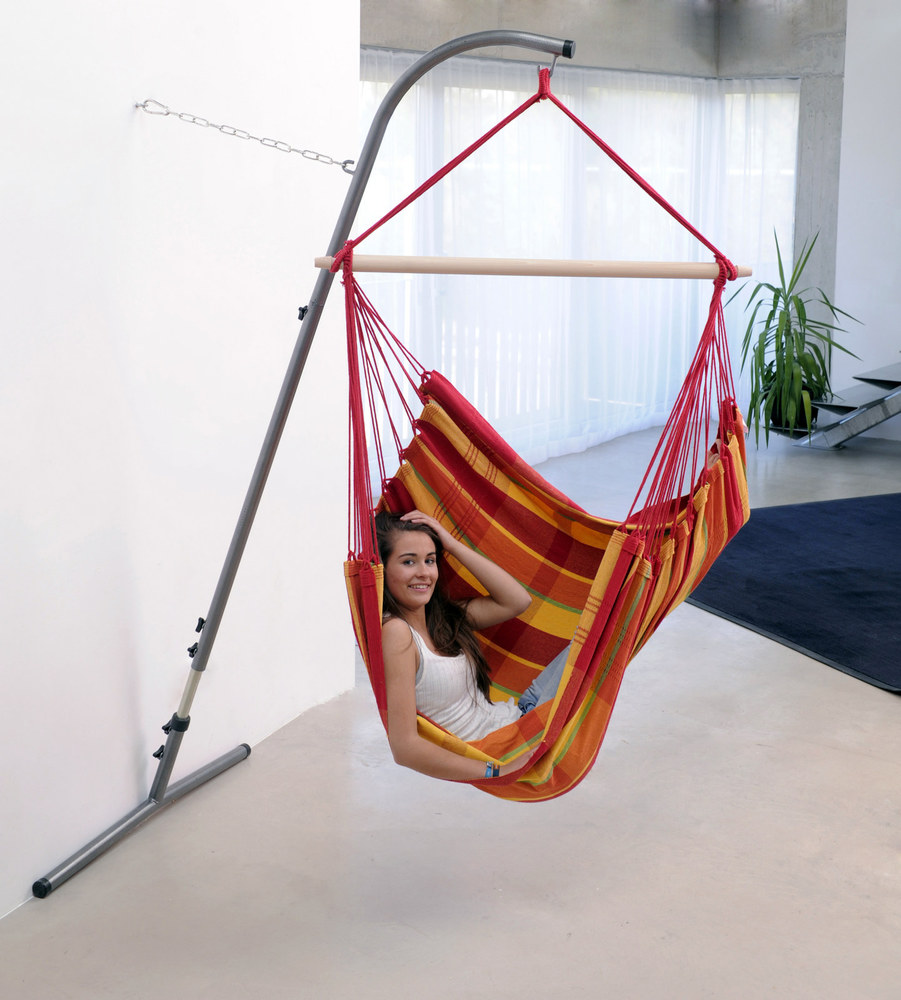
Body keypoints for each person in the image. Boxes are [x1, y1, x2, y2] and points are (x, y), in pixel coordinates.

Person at [375, 509, 571, 781]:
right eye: (409, 562)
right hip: (508, 749)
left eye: (430, 560)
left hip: (524, 716)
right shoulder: (397, 633)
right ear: (382, 569)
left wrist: (452, 545)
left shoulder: (441, 618)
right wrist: (497, 771)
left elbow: (517, 601)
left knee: (599, 633)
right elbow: (404, 748)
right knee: (608, 629)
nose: (424, 573)